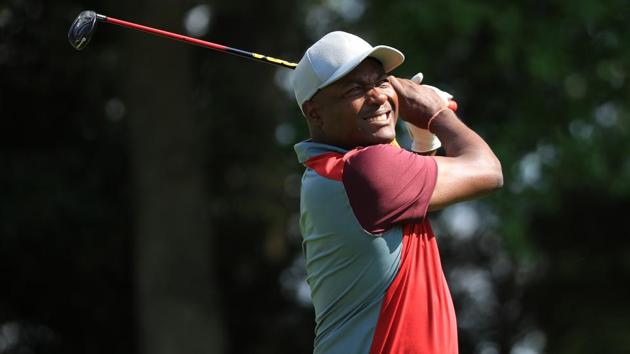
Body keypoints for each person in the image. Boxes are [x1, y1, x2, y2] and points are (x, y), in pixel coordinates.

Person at [292, 31, 503, 354]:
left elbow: (404, 210)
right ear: (315, 112)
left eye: (381, 81)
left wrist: (423, 142)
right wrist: (436, 114)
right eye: (356, 89)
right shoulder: (366, 171)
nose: (377, 96)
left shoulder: (331, 171)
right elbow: (488, 171)